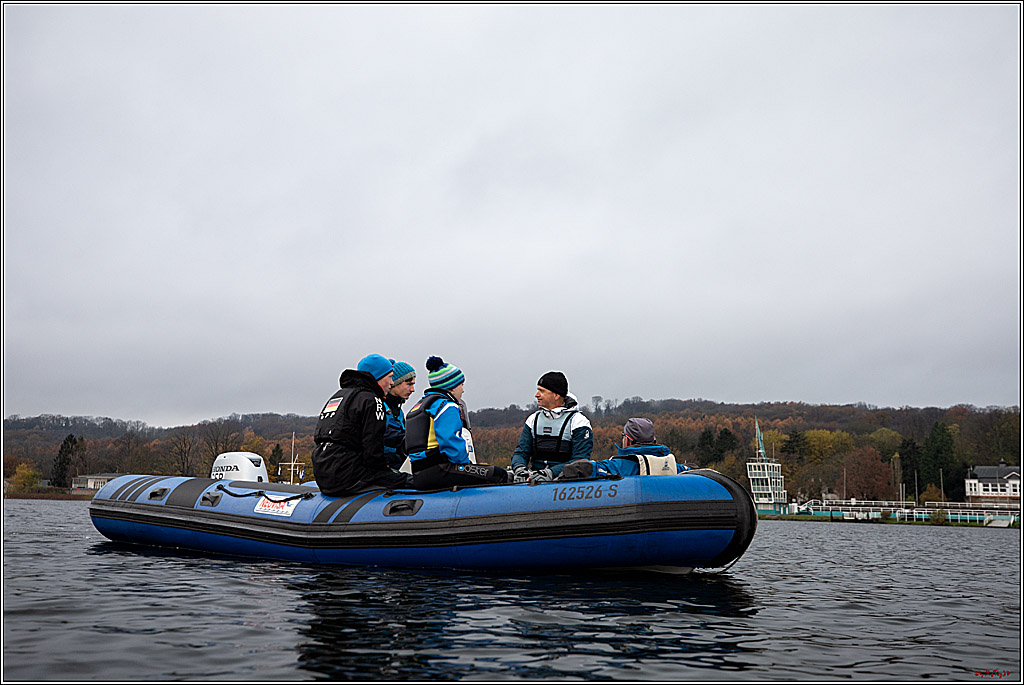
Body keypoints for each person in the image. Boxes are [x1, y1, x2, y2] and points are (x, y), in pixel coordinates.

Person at [311, 353, 413, 496]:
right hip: (350, 476)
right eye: (390, 377)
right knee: (411, 480)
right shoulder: (372, 400)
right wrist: (388, 472)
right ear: (378, 377)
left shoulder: (338, 396)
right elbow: (373, 450)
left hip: (323, 474)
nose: (391, 383)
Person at [405, 356, 508, 489]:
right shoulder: (446, 406)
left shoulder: (419, 406)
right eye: (461, 385)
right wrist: (466, 465)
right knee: (498, 474)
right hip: (439, 470)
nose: (463, 390)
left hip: (419, 473)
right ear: (452, 387)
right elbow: (451, 441)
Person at [510, 371, 593, 482]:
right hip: (533, 478)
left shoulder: (579, 422)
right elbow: (521, 452)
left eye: (542, 391)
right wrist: (520, 469)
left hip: (564, 481)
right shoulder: (532, 420)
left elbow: (579, 460)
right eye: (537, 390)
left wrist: (551, 473)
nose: (536, 395)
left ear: (556, 395)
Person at [558, 417, 691, 480]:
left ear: (627, 440)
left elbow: (584, 468)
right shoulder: (673, 467)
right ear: (654, 440)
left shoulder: (617, 466)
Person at [383, 360, 416, 471]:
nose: (412, 389)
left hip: (400, 464)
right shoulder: (377, 406)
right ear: (394, 383)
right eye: (409, 384)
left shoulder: (400, 413)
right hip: (383, 466)